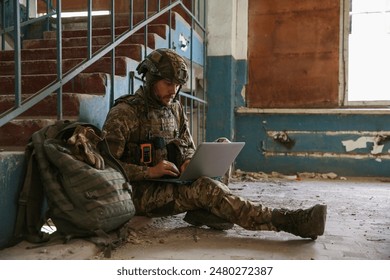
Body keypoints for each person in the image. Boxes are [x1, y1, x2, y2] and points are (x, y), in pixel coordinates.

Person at [102, 48, 327, 240]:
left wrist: (189, 160)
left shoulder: (175, 108)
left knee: (222, 145)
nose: (174, 91)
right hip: (138, 192)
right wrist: (149, 171)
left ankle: (206, 209)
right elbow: (105, 167)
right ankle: (288, 221)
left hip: (170, 181)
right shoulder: (125, 113)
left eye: (178, 85)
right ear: (150, 79)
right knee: (207, 188)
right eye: (168, 83)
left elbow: (186, 144)